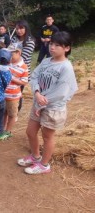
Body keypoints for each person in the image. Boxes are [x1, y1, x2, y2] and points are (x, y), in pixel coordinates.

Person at [17, 31, 77, 175]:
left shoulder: (66, 67)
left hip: (53, 108)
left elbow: (62, 92)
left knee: (47, 136)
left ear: (66, 48)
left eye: (57, 45)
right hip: (39, 102)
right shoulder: (45, 61)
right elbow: (35, 76)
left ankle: (44, 165)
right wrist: (37, 93)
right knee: (30, 132)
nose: (52, 47)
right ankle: (35, 156)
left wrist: (43, 103)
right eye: (51, 44)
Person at [0, 43, 28, 141]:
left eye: (11, 54)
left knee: (12, 114)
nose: (9, 56)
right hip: (3, 94)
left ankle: (8, 131)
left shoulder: (23, 67)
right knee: (3, 113)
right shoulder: (7, 63)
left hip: (13, 96)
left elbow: (24, 81)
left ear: (18, 52)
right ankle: (1, 130)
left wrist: (12, 78)